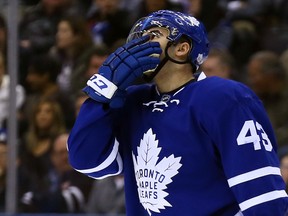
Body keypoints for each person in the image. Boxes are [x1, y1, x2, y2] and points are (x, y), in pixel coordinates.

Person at [67, 10, 288, 215]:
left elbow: (262, 195)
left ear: (182, 48)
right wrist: (102, 93)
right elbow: (86, 161)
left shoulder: (223, 97)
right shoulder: (133, 101)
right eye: (138, 38)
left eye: (152, 35)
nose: (138, 45)